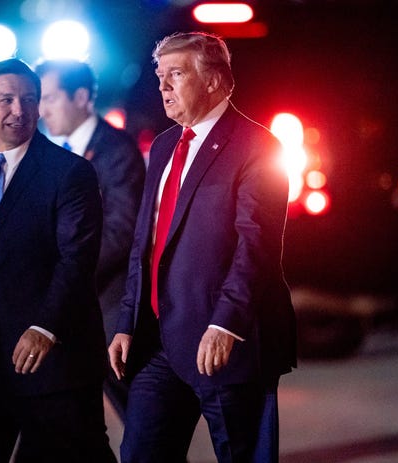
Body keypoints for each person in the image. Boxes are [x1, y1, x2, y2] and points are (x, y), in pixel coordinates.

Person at [108, 32, 297, 462]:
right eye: (159, 76)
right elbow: (146, 242)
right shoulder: (162, 148)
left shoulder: (258, 147)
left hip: (225, 343)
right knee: (140, 453)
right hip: (159, 343)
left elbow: (257, 245)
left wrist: (226, 324)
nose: (163, 87)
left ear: (213, 81)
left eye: (175, 74)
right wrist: (127, 322)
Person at [0, 58, 116, 463]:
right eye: (7, 100)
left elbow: (76, 259)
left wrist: (44, 327)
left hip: (51, 361)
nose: (20, 110)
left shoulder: (69, 172)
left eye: (29, 100)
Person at [35, 59, 146, 422]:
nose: (41, 108)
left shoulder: (116, 151)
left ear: (81, 97)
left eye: (50, 97)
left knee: (142, 423)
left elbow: (121, 230)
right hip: (69, 311)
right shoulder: (51, 155)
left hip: (108, 311)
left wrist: (67, 277)